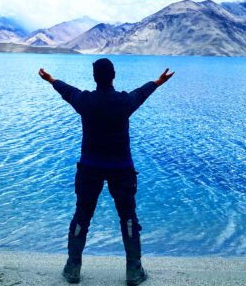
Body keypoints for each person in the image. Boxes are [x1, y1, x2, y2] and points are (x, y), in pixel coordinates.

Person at [38, 58, 175, 285]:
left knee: (82, 215)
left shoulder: (85, 101)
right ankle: (134, 271)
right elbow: (141, 93)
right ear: (114, 75)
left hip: (89, 168)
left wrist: (50, 79)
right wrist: (158, 82)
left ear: (94, 77)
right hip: (121, 169)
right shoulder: (123, 102)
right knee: (128, 217)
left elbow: (67, 91)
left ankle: (73, 269)